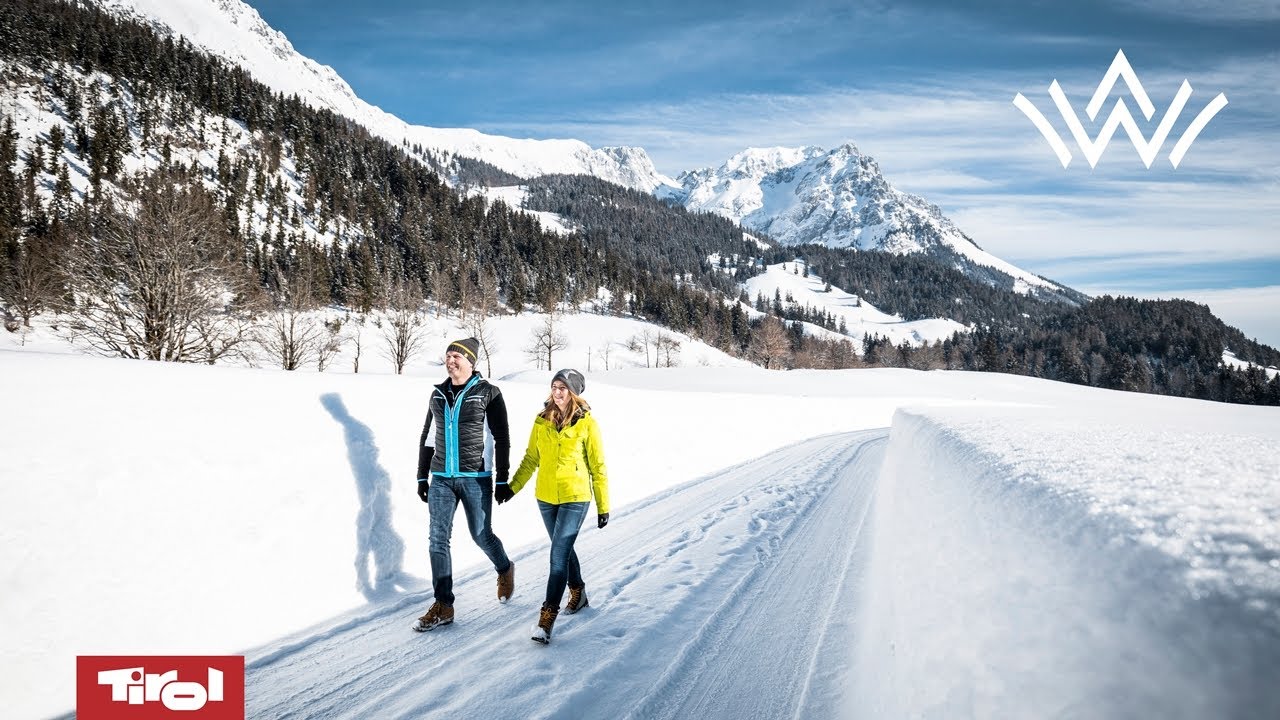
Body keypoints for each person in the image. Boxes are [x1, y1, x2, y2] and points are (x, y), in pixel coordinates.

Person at [496, 368, 610, 644]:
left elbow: (597, 466)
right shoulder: (541, 420)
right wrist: (513, 487)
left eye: (564, 388)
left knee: (557, 556)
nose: (558, 392)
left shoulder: (586, 423)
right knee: (564, 547)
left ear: (574, 392)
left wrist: (603, 504)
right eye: (555, 386)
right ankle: (579, 592)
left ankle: (546, 618)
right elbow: (530, 458)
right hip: (546, 498)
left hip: (576, 496)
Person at [412, 337, 516, 632]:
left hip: (476, 477)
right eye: (447, 355)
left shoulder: (489, 393)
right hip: (441, 477)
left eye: (456, 356)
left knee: (481, 535)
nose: (451, 360)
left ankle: (504, 567)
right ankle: (444, 604)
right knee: (437, 539)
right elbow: (429, 437)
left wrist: (503, 477)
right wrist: (422, 475)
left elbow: (501, 438)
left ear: (471, 362)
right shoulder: (437, 394)